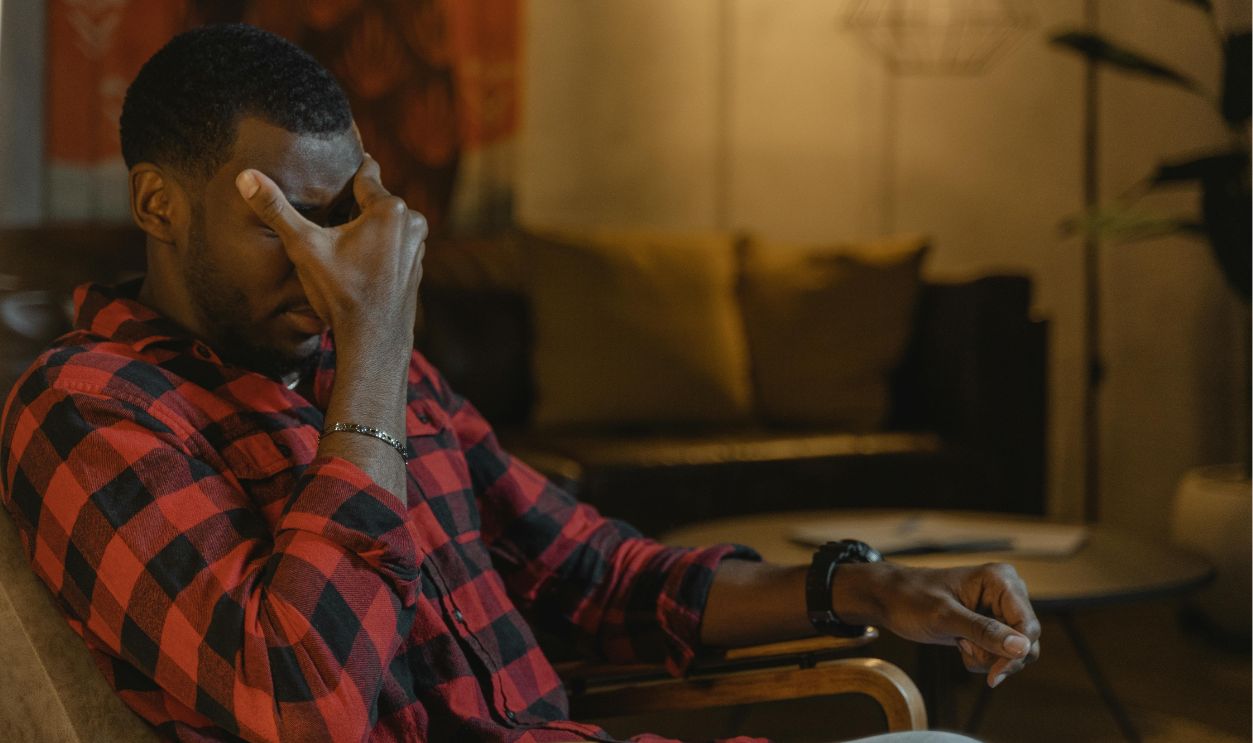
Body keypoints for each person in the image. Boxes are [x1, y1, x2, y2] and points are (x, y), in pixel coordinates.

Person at [0, 24, 1038, 743]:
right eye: (283, 220)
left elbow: (600, 575)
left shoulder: (376, 377)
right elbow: (298, 700)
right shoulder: (94, 406)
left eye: (342, 219)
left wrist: (858, 585)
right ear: (157, 203)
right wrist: (371, 348)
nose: (328, 262)